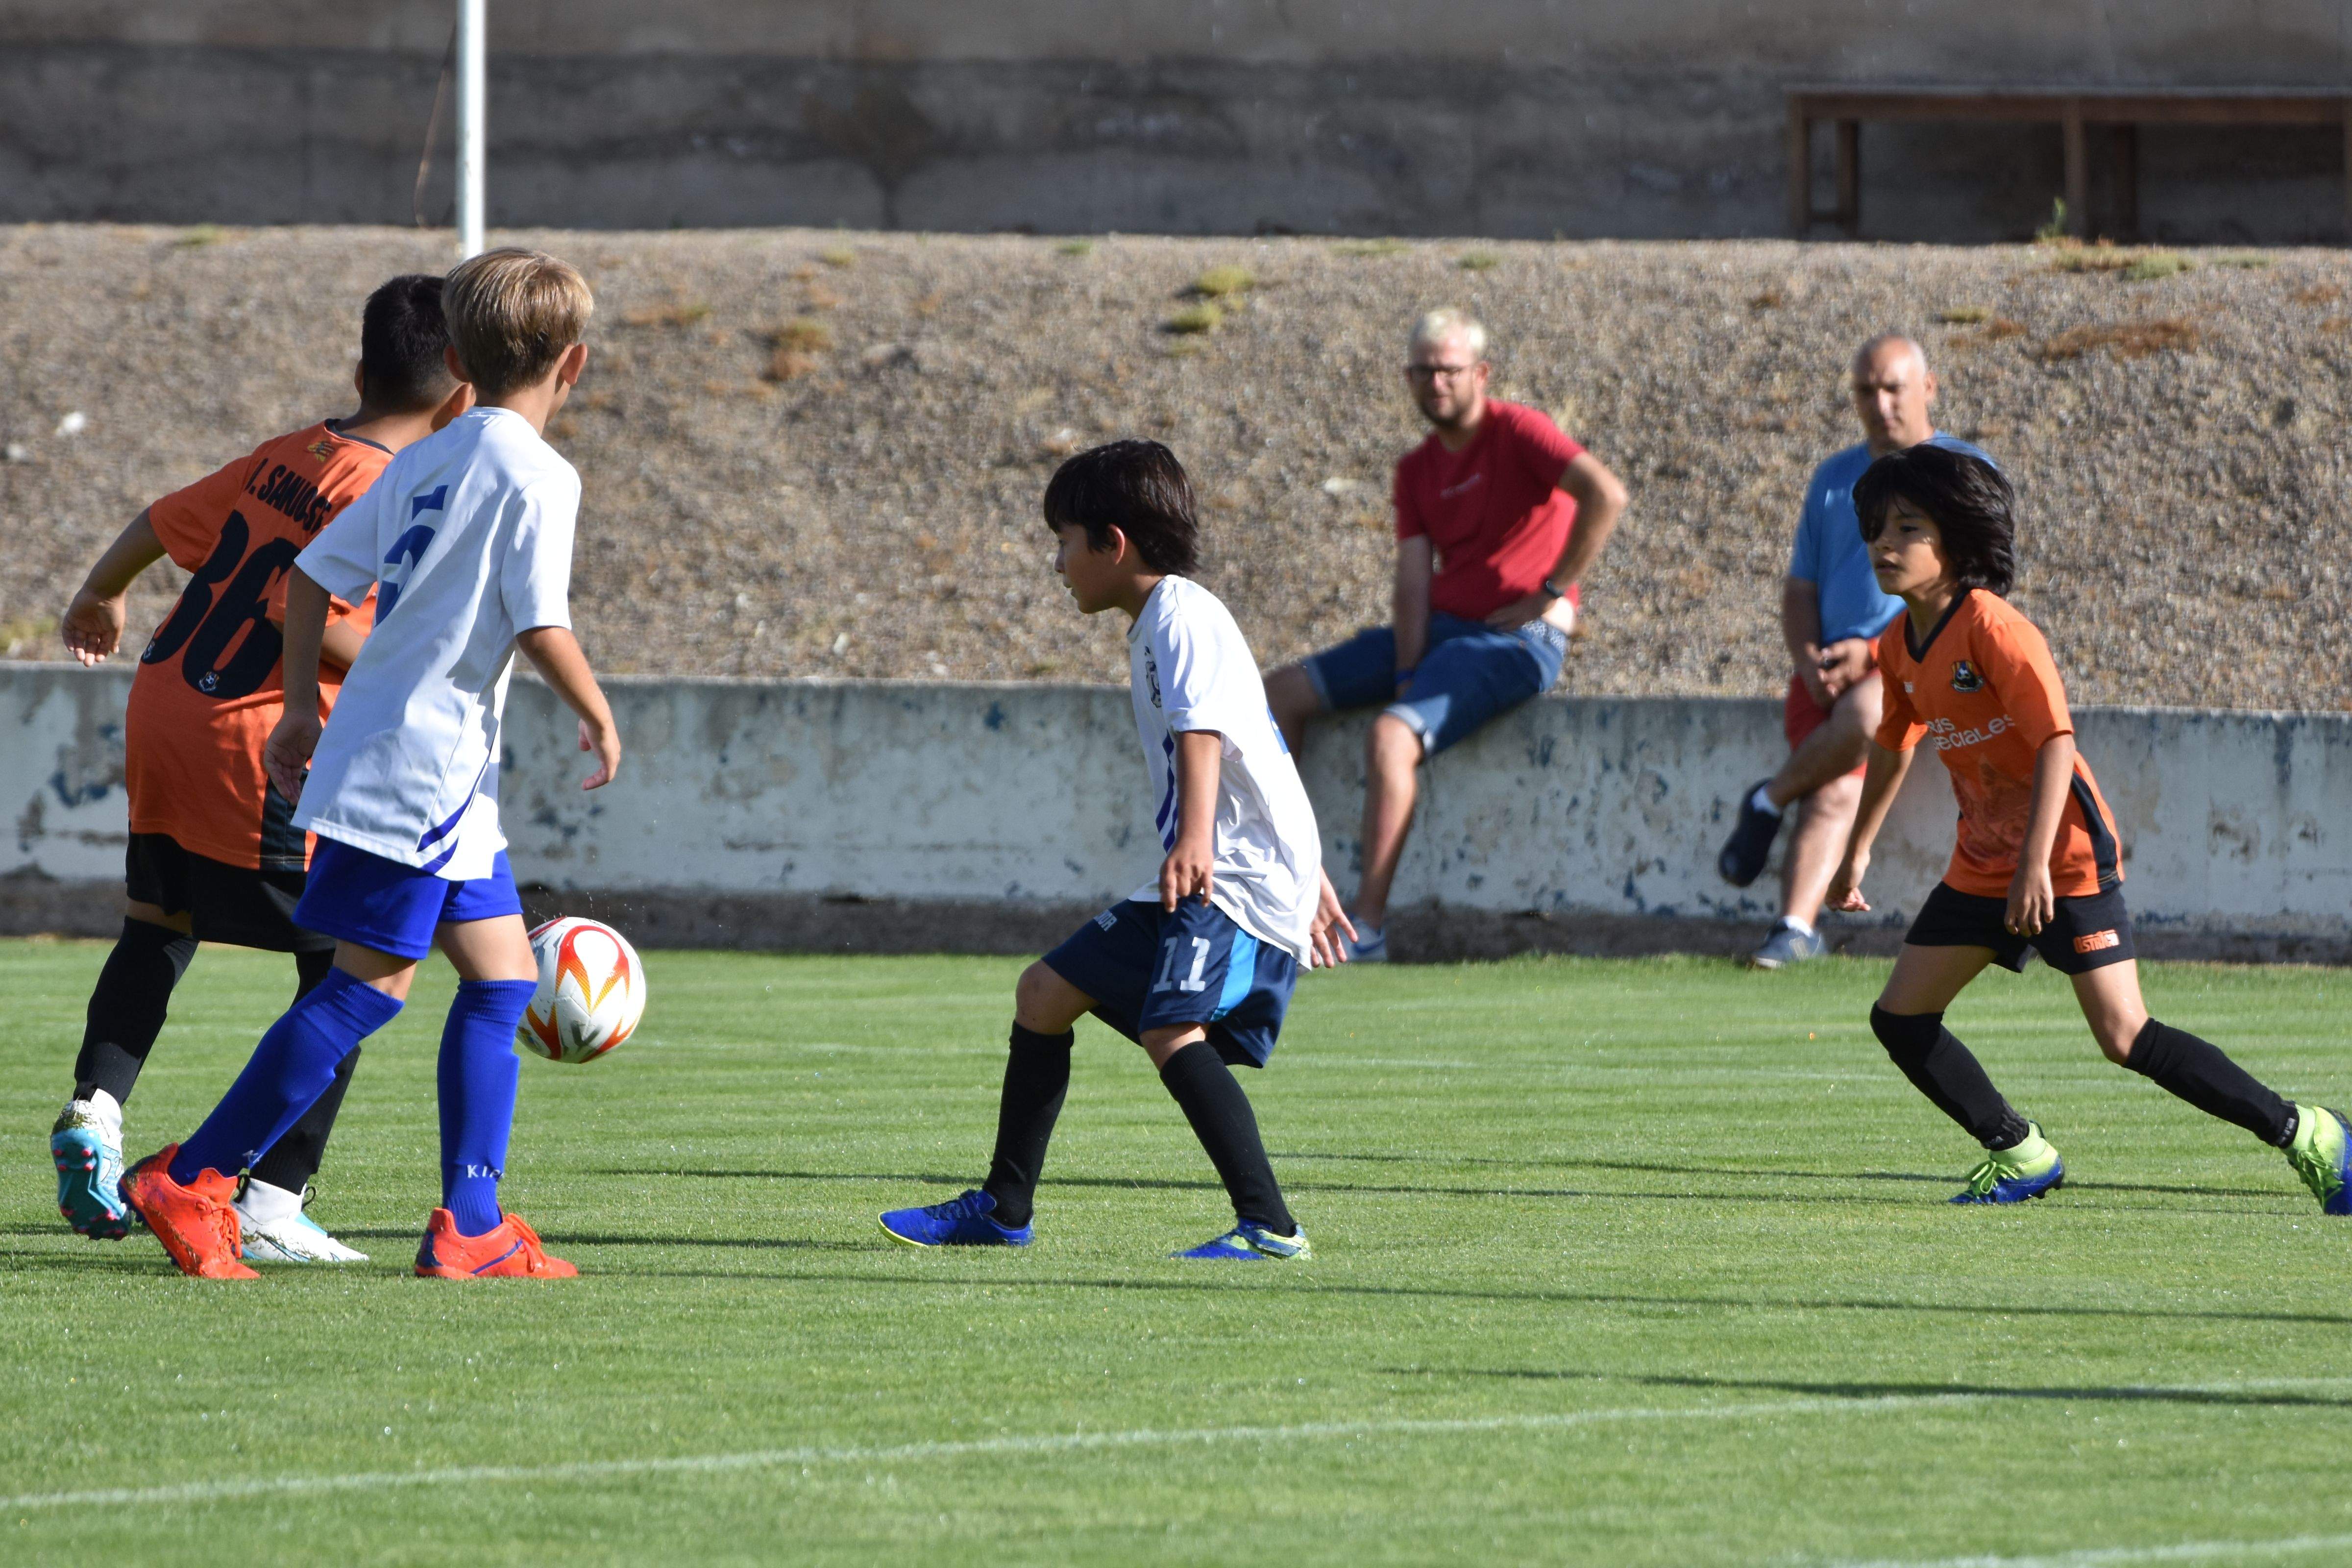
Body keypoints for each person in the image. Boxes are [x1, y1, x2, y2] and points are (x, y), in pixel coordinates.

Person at [121, 247, 622, 1279]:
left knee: (500, 977)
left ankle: (471, 1226)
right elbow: (540, 620)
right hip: (424, 769)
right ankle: (195, 1178)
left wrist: (304, 707)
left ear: (459, 360)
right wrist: (599, 711)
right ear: (572, 366)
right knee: (369, 987)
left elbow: (310, 574)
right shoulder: (539, 471)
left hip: (418, 763)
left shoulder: (430, 456)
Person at [49, 273, 472, 1261]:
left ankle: (96, 1111)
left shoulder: (292, 454)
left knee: (159, 924)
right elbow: (302, 612)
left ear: (359, 368)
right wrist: (425, 683)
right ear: (461, 394)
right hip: (252, 737)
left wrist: (98, 595)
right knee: (354, 964)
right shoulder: (396, 490)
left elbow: (163, 520)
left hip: (164, 707)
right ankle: (273, 1198)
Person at [1824, 443, 2351, 1209]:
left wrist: (2036, 865)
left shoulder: (1996, 631)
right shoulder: (1897, 646)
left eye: (1908, 528)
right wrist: (1856, 851)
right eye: (1876, 529)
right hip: (1982, 864)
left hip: (2063, 857)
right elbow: (1891, 745)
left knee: (2126, 1037)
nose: (1885, 545)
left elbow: (2055, 744)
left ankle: (2311, 1134)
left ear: (1959, 543)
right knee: (1900, 1018)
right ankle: (2022, 1153)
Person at [880, 440, 1353, 1260]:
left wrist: (1204, 843)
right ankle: (1002, 1209)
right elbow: (1264, 749)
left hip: (1229, 879)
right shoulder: (1160, 623)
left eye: (1064, 541)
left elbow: (1206, 732)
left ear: (1114, 542)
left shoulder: (1180, 614)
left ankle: (1271, 1228)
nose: (1057, 563)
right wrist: (1309, 871)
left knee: (1175, 1032)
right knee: (1045, 995)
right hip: (1237, 867)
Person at [1265, 308, 1626, 960]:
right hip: (1440, 633)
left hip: (1515, 641)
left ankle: (1365, 930)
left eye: (1449, 370)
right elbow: (1411, 584)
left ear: (1480, 374)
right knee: (1277, 696)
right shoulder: (1417, 469)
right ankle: (1281, 894)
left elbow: (1607, 495)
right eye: (1423, 371)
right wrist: (1407, 672)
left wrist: (1547, 593)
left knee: (1390, 735)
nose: (1436, 383)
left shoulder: (1518, 430)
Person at [1716, 334, 1988, 970]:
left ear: (1930, 388)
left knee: (1871, 716)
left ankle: (1769, 800)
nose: (1880, 402)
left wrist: (1871, 653)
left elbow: (1973, 587)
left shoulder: (1961, 471)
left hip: (1917, 662)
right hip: (1830, 674)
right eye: (1866, 389)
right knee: (1838, 789)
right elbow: (1800, 587)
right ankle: (1793, 929)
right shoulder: (1835, 478)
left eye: (1894, 386)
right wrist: (1808, 656)